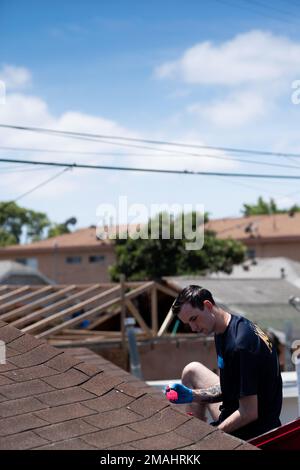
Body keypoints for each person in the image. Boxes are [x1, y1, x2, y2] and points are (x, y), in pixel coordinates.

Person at [165, 285, 282, 441]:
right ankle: (192, 438)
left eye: (194, 319)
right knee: (191, 371)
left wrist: (210, 437)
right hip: (236, 408)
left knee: (202, 441)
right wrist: (192, 396)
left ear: (207, 306)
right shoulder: (225, 327)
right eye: (188, 323)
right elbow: (227, 387)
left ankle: (196, 443)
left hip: (254, 432)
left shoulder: (240, 345)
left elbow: (249, 413)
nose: (193, 328)